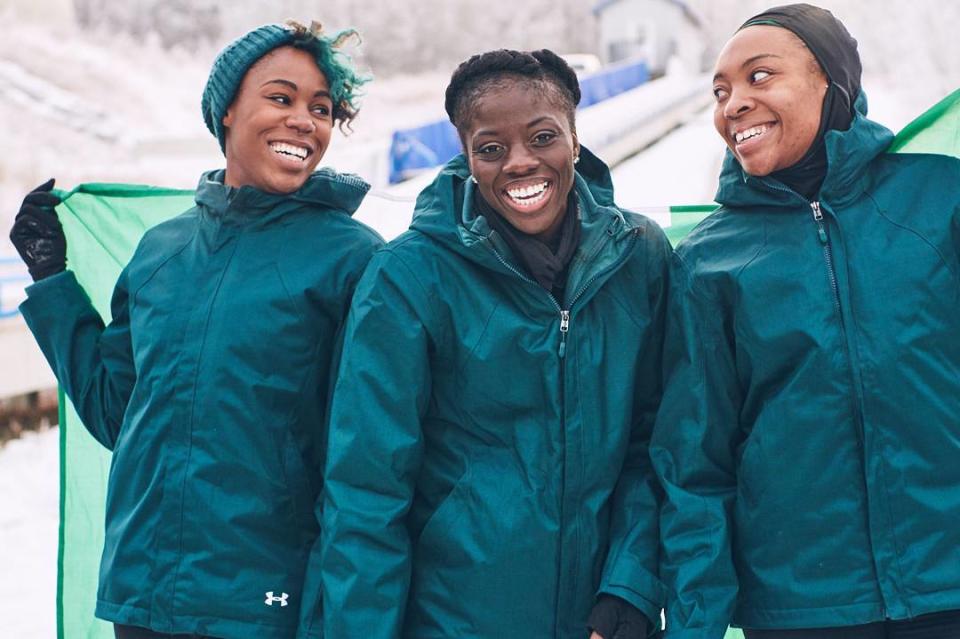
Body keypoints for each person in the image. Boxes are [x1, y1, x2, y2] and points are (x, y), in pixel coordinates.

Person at [9, 20, 382, 639]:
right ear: (227, 110)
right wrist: (51, 279)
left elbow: (366, 456)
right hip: (142, 592)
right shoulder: (160, 252)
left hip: (264, 602)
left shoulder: (352, 259)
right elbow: (117, 414)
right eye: (281, 98)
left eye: (321, 109)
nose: (304, 121)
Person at [318, 49, 670, 639]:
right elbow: (366, 490)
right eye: (491, 148)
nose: (520, 163)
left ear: (577, 141)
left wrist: (631, 588)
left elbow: (660, 440)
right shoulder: (407, 277)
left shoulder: (639, 255)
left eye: (542, 137)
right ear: (466, 156)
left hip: (602, 621)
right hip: (454, 621)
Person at [650, 4, 960, 638]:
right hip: (802, 608)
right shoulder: (708, 259)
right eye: (720, 91)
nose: (733, 104)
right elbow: (694, 462)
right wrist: (695, 625)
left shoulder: (940, 199)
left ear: (833, 85)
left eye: (760, 76)